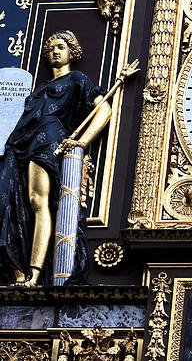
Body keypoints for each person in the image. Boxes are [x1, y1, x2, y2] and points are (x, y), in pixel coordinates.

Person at [0, 31, 110, 286]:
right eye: (51, 49)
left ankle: (34, 272)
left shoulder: (77, 80)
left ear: (72, 51)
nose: (55, 52)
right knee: (14, 203)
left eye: (61, 47)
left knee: (38, 201)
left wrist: (82, 142)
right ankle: (17, 267)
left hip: (47, 140)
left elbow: (105, 108)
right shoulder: (40, 89)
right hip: (20, 145)